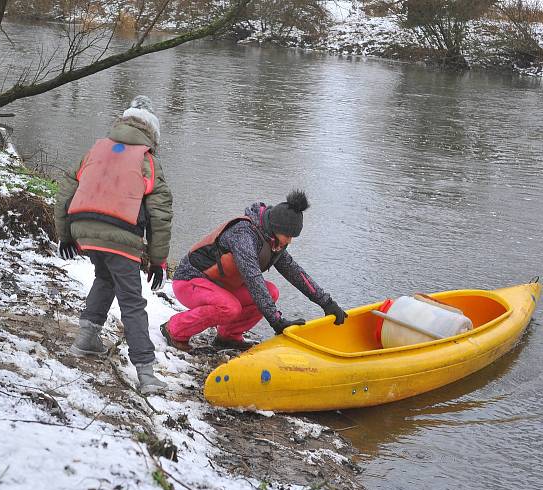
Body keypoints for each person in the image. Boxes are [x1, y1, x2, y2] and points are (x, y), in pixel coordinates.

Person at [54, 95, 172, 395]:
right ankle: (146, 374)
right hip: (121, 234)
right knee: (132, 302)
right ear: (152, 134)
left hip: (83, 228)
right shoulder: (148, 162)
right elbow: (160, 215)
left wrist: (65, 234)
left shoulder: (96, 149)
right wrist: (158, 261)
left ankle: (86, 339)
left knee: (105, 277)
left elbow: (66, 190)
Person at [161, 190, 346, 352]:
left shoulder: (274, 242)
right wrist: (277, 321)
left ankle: (228, 336)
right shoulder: (244, 234)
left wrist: (327, 303)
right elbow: (253, 279)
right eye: (288, 236)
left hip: (220, 285)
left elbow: (295, 273)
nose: (290, 241)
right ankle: (174, 329)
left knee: (272, 291)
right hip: (190, 281)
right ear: (276, 228)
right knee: (230, 307)